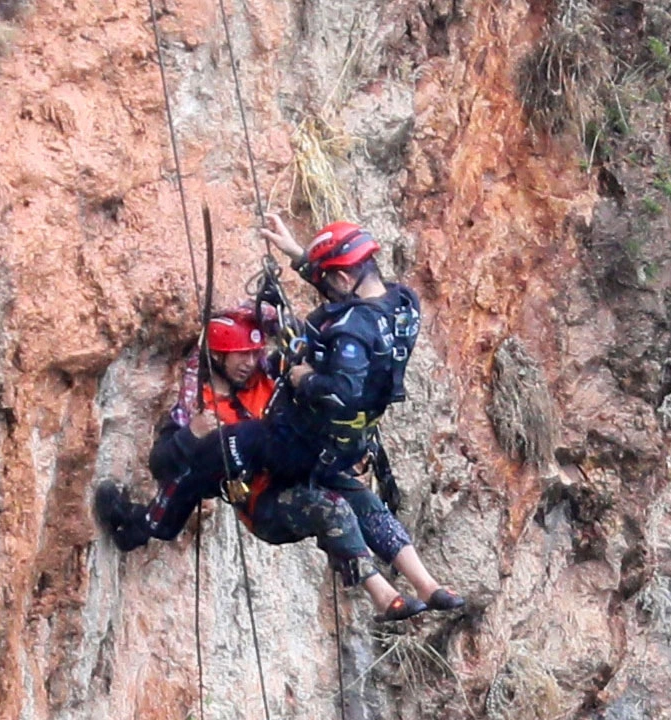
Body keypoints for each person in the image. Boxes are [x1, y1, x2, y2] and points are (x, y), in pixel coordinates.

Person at [177, 214, 465, 618]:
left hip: (303, 442)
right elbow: (345, 294)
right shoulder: (403, 305)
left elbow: (341, 392)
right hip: (343, 445)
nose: (325, 288)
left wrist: (303, 378)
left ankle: (383, 595)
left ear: (344, 279)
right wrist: (300, 256)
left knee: (255, 452)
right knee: (364, 502)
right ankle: (427, 584)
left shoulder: (350, 331)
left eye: (328, 279)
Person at [94, 307, 425, 620]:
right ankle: (383, 596)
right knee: (331, 510)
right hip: (265, 505)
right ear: (218, 356)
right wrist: (192, 434)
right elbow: (163, 464)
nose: (250, 362)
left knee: (362, 499)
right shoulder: (199, 404)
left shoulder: (268, 377)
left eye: (254, 353)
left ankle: (427, 585)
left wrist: (267, 316)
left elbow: (299, 340)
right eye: (241, 355)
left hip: (298, 474)